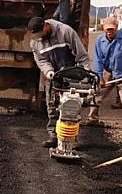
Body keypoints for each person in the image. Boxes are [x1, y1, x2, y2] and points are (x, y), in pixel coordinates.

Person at [28, 16, 90, 147]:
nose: (40, 37)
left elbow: (81, 55)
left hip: (71, 75)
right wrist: (48, 71)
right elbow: (41, 60)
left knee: (72, 107)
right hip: (53, 76)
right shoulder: (35, 42)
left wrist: (85, 73)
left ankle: (72, 138)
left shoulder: (66, 31)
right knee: (52, 106)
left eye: (41, 33)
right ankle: (53, 136)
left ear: (46, 25)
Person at [88, 16, 122, 137]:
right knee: (97, 94)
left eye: (112, 29)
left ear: (116, 28)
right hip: (109, 72)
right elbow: (98, 60)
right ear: (103, 28)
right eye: (107, 29)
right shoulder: (99, 40)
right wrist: (100, 77)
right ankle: (92, 118)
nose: (109, 32)